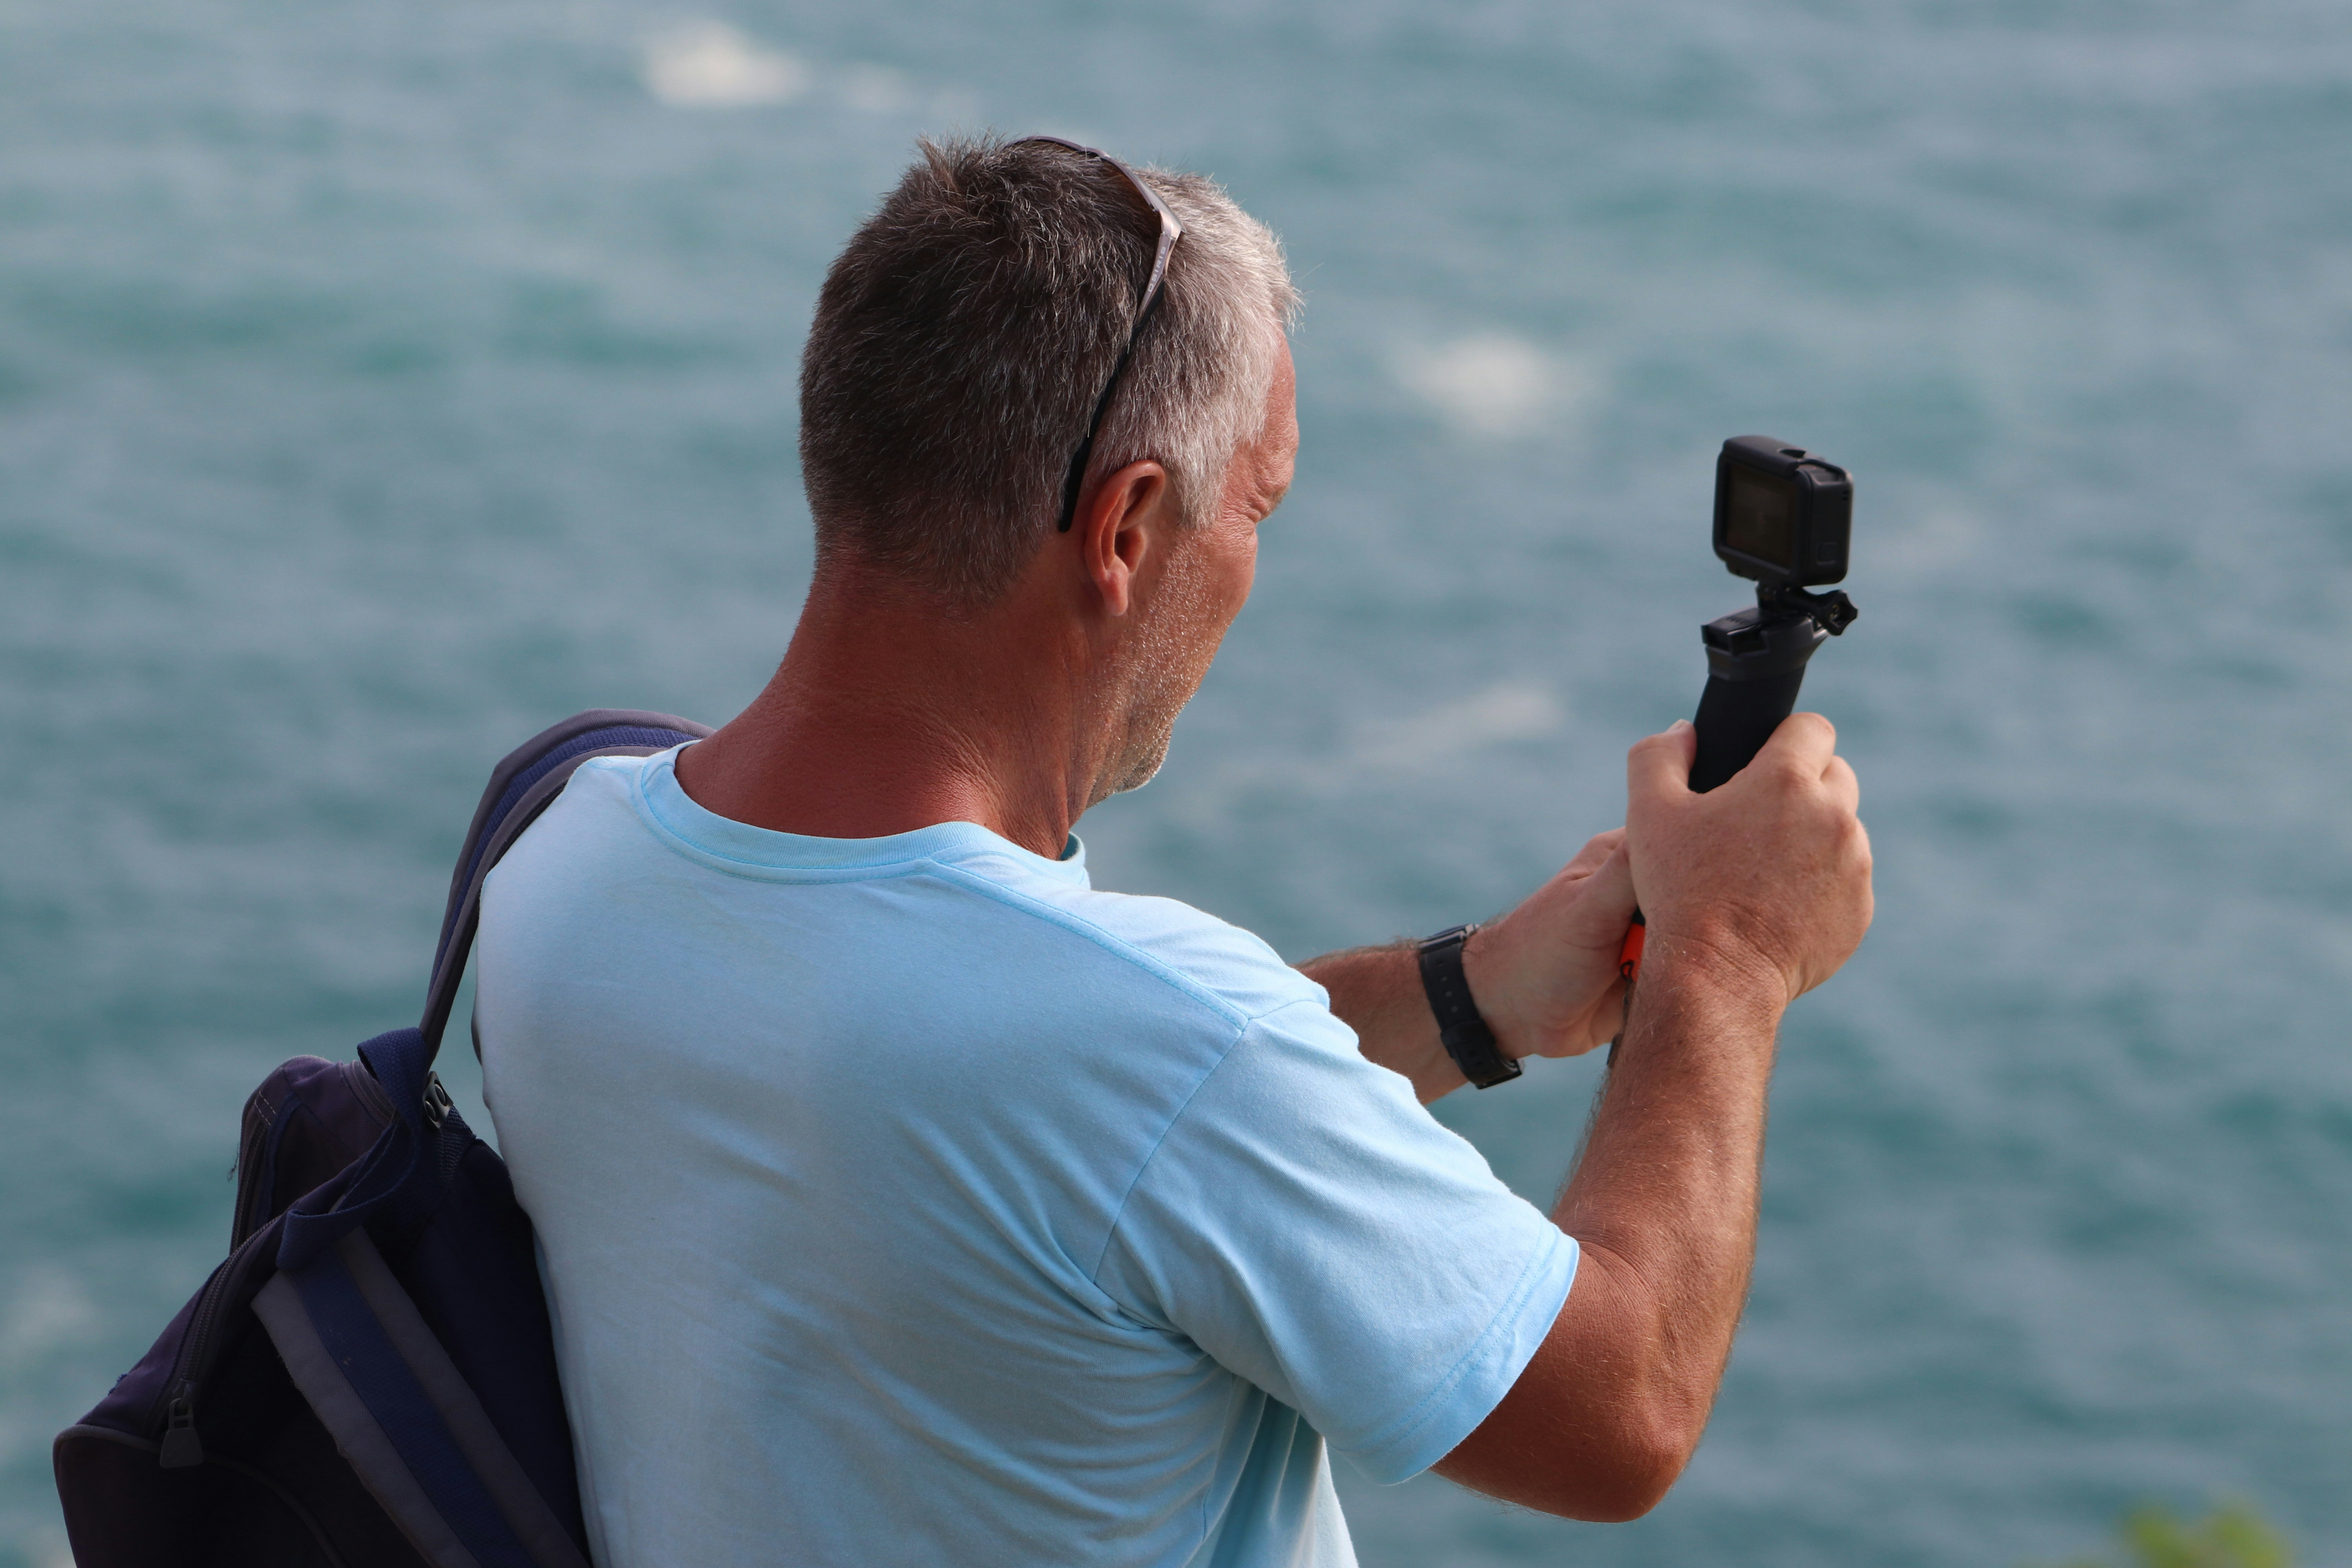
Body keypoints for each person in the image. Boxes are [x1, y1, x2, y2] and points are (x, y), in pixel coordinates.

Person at [475, 134, 1872, 1568]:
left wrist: (1480, 996)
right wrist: (1730, 948)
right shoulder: (1138, 1049)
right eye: (1257, 505)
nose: (1257, 560)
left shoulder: (557, 858)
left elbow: (1047, 1141)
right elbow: (1619, 1413)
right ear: (1129, 526)